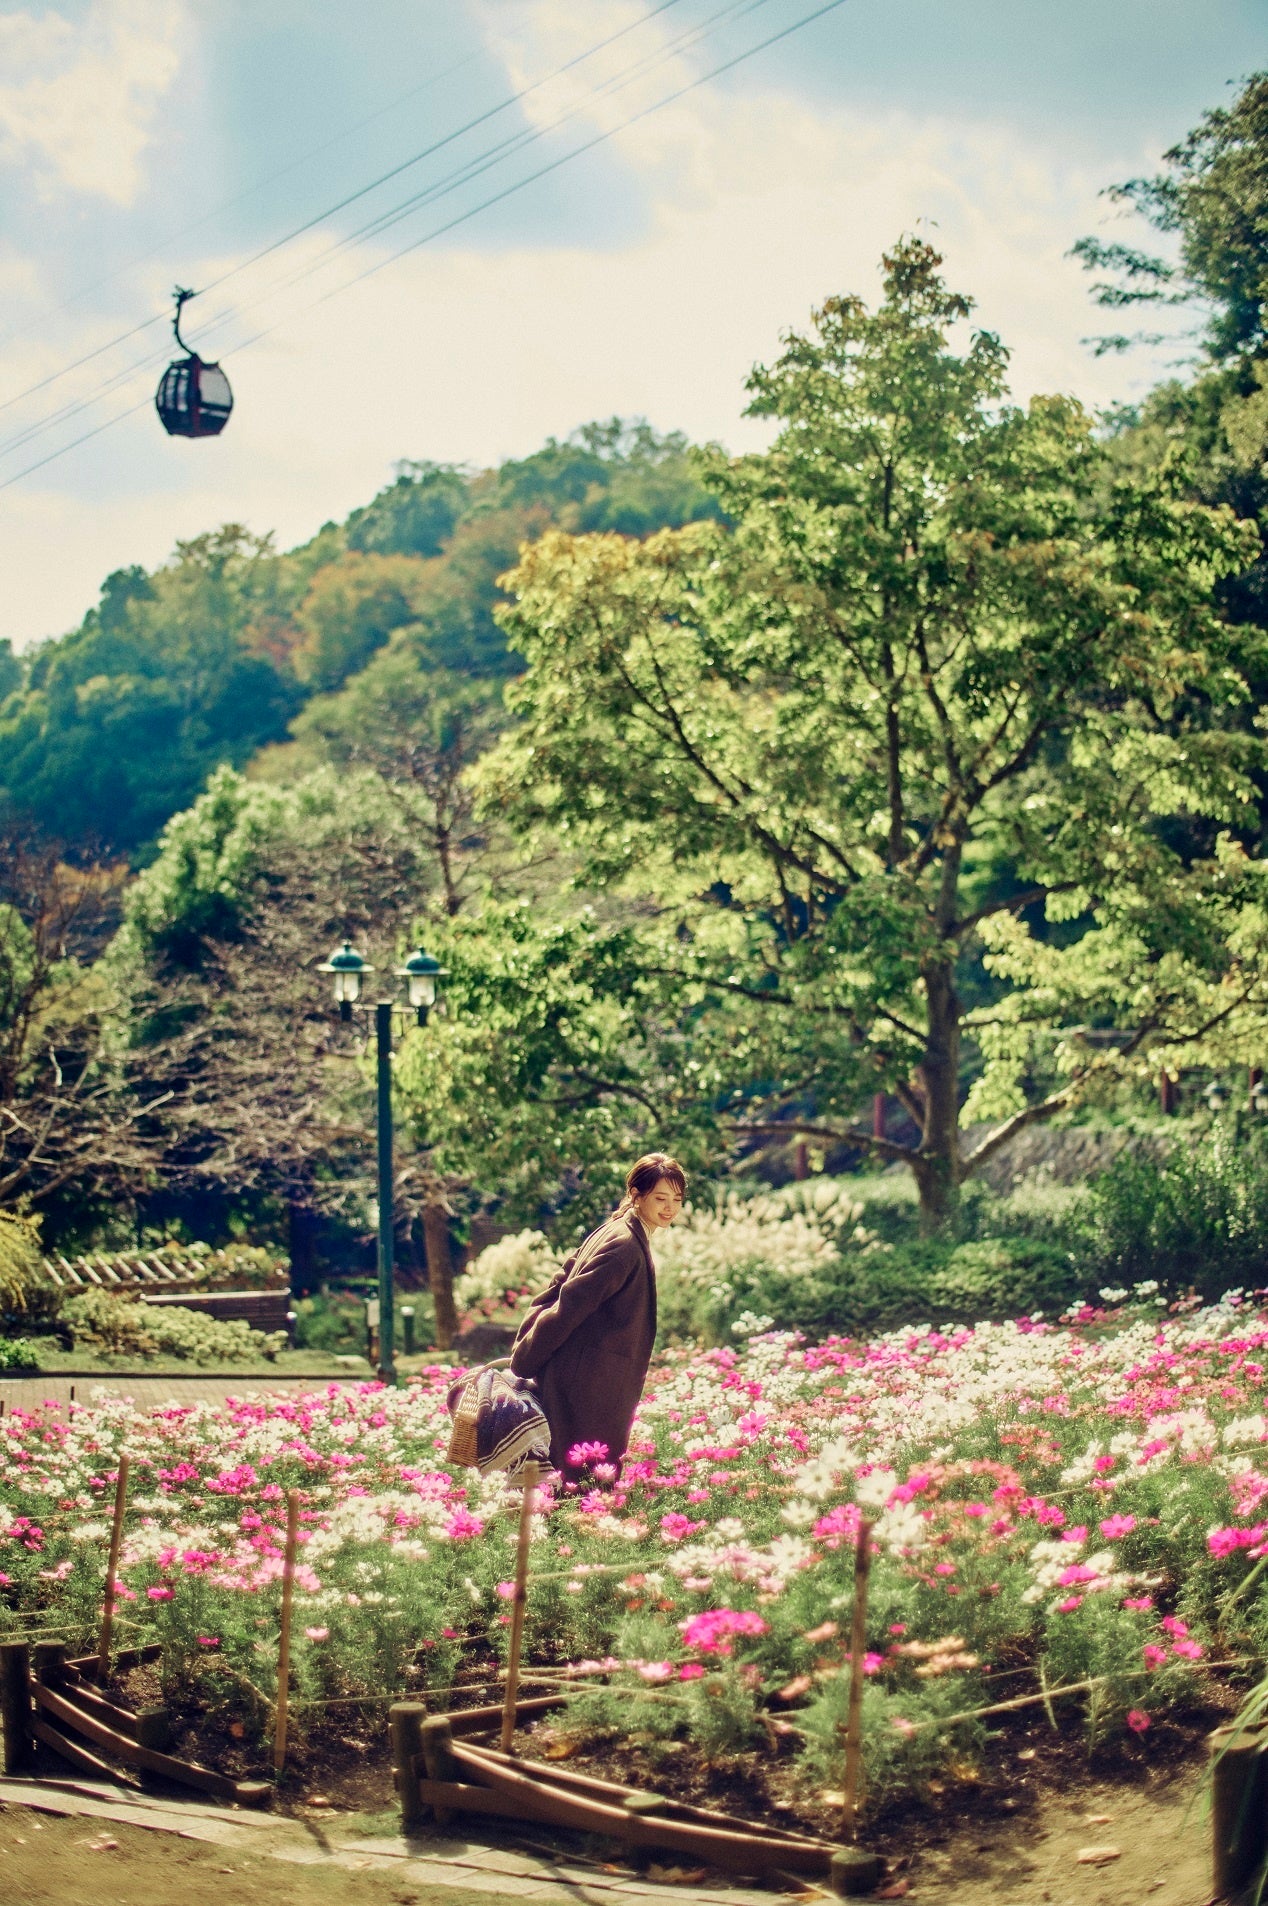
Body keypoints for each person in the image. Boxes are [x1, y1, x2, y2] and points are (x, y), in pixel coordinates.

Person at [509, 1153, 686, 1483]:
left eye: (677, 1199)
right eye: (660, 1198)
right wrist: (524, 1358)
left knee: (576, 1482)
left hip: (590, 1380)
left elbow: (559, 1281)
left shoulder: (617, 1231)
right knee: (581, 1485)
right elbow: (567, 1305)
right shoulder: (623, 1246)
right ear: (636, 1194)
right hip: (586, 1389)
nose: (670, 1208)